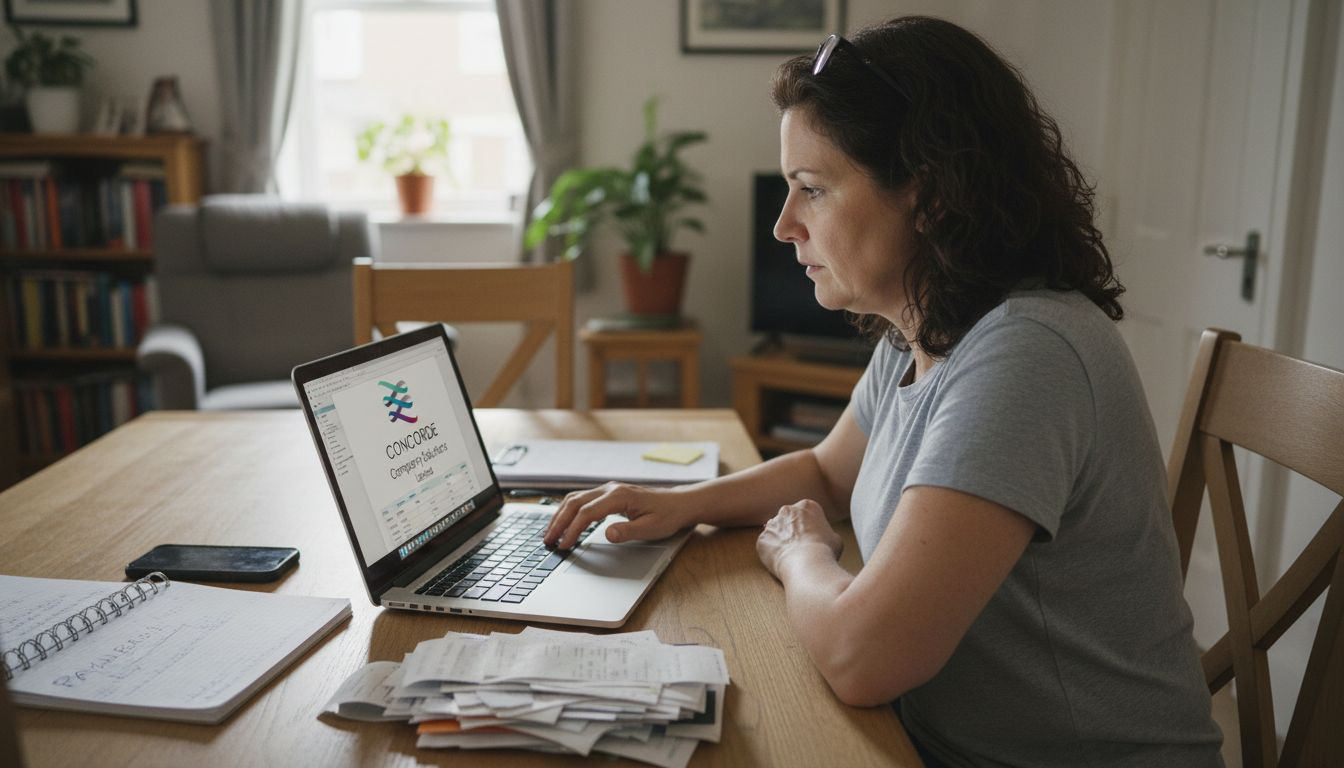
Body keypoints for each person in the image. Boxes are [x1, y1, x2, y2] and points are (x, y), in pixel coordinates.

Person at [543, 15, 1223, 768]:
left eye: (812, 190)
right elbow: (828, 473)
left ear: (928, 197)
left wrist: (801, 555)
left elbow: (862, 658)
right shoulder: (926, 326)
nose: (783, 225)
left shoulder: (1028, 355)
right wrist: (678, 503)